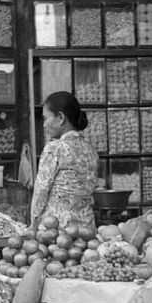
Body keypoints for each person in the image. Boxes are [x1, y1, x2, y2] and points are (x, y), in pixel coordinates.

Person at [30, 91, 99, 229]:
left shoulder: (55, 149)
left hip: (57, 233)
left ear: (60, 117)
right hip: (87, 231)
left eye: (45, 118)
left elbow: (40, 194)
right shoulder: (91, 150)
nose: (44, 125)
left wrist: (33, 225)